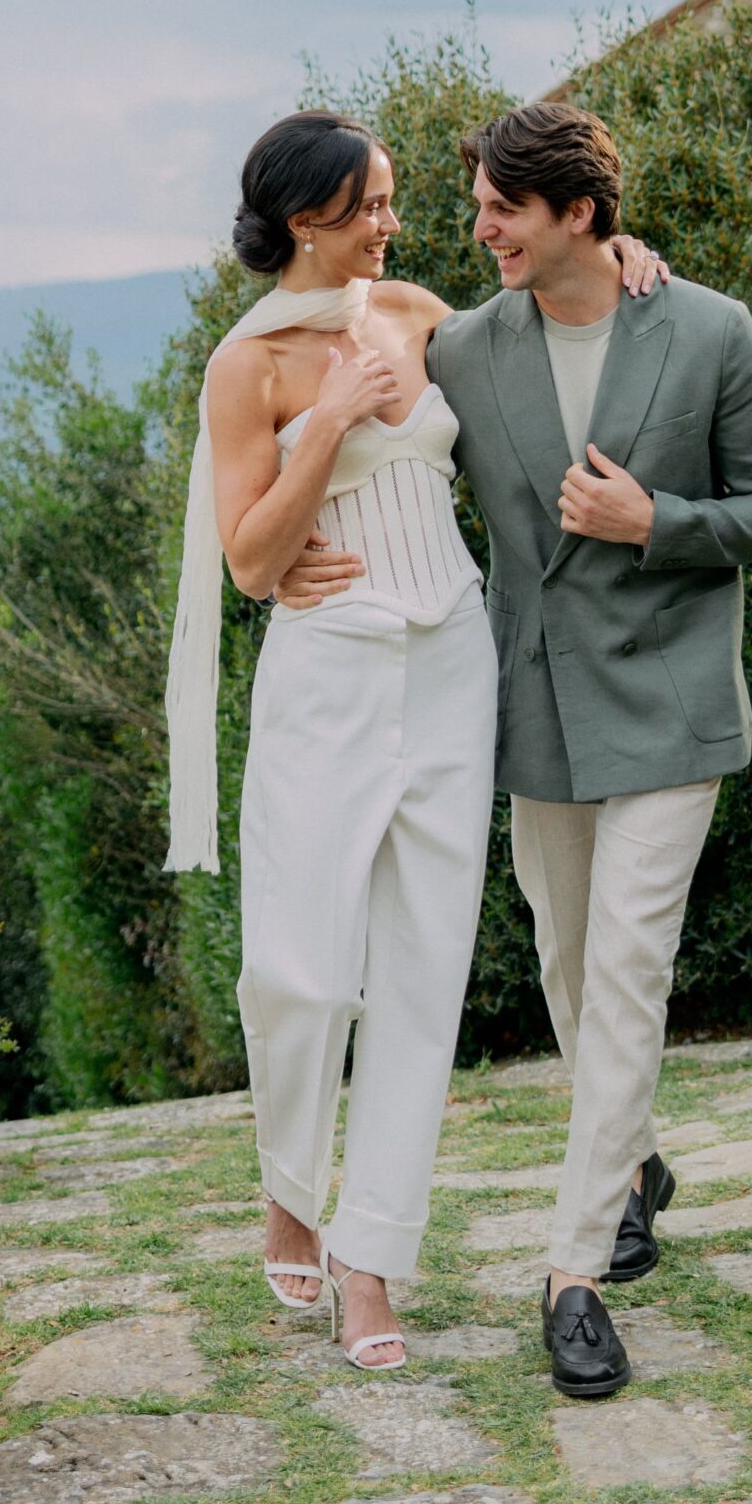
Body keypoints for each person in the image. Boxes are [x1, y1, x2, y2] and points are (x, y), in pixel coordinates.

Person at [280, 101, 752, 1398]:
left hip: (671, 711)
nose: (479, 230)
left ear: (579, 213)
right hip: (531, 717)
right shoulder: (467, 345)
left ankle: (572, 1275)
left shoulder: (707, 331)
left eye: (502, 209)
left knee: (625, 969)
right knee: (572, 968)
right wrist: (275, 537)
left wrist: (655, 519)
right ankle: (628, 1163)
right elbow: (342, 378)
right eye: (472, 207)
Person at [164, 109, 665, 1371]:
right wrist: (330, 418)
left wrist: (630, 256)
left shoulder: (424, 310)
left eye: (392, 199)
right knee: (302, 971)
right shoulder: (248, 366)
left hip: (449, 661)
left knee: (425, 967)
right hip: (326, 675)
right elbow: (251, 564)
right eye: (372, 204)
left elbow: (561, 325)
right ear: (303, 220)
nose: (395, 223)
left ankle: (369, 1264)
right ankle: (290, 1176)